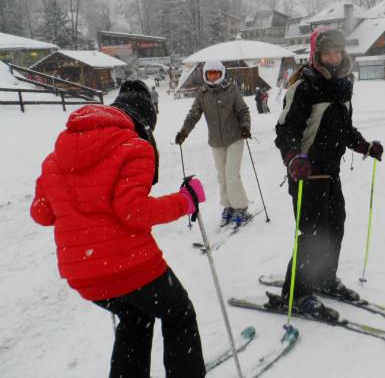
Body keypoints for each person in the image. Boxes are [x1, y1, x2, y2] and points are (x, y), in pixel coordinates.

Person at [30, 80, 207, 378]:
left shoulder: (55, 156)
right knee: (179, 313)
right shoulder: (134, 147)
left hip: (82, 275)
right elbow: (135, 212)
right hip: (131, 267)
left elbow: (41, 213)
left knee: (136, 319)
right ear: (144, 122)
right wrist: (185, 200)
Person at [272, 28, 383, 319]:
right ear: (316, 55)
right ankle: (295, 294)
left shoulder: (343, 86)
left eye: (336, 51)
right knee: (313, 235)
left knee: (335, 227)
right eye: (326, 52)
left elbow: (344, 128)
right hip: (306, 175)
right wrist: (293, 157)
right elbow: (286, 130)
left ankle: (323, 278)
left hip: (330, 174)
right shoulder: (304, 87)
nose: (333, 57)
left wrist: (364, 146)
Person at [175, 60, 252, 225]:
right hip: (216, 141)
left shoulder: (231, 89)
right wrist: (184, 132)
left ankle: (240, 207)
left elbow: (243, 110)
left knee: (231, 173)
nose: (213, 76)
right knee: (222, 176)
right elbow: (193, 114)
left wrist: (245, 126)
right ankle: (228, 205)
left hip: (235, 138)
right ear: (205, 75)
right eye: (210, 73)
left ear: (222, 73)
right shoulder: (202, 93)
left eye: (216, 73)